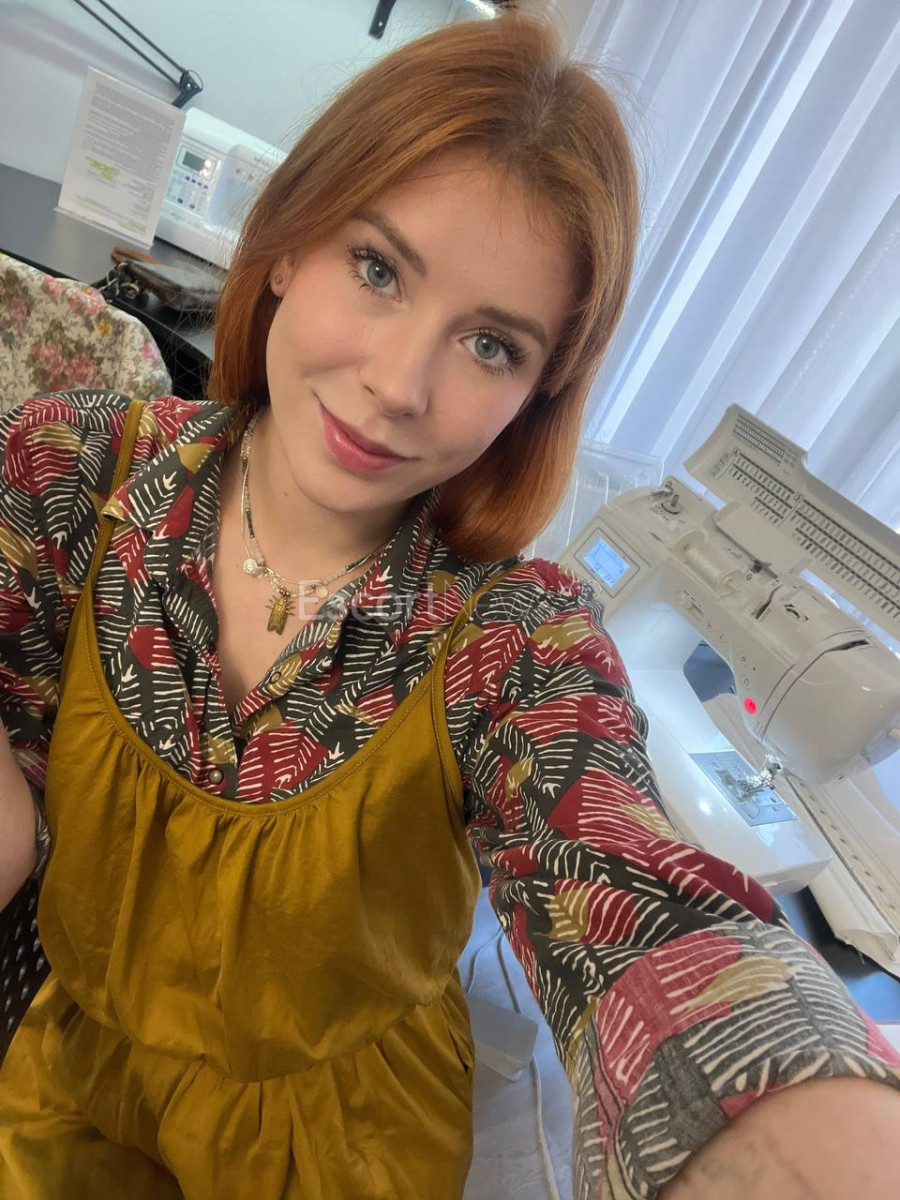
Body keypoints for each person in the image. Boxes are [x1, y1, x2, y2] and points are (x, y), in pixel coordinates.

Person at [0, 14, 898, 1200]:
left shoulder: (515, 640)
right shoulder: (68, 476)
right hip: (75, 1078)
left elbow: (624, 887)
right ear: (290, 242)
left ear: (536, 394)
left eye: (489, 344)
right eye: (378, 269)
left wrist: (794, 1123)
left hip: (343, 1148)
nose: (397, 386)